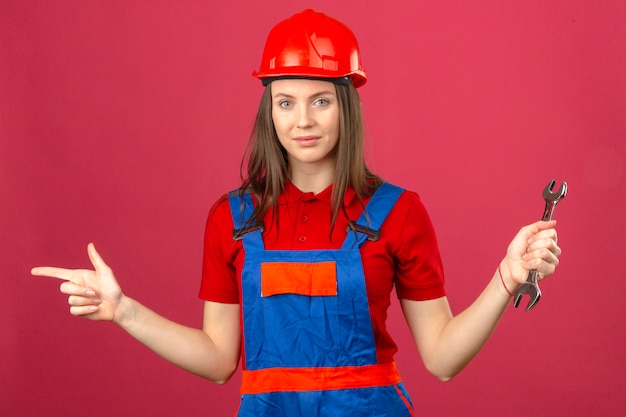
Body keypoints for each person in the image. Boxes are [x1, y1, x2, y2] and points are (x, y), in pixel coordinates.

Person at [32, 9, 562, 417]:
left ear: (346, 104)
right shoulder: (234, 218)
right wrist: (123, 310)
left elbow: (443, 360)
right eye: (285, 101)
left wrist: (505, 279)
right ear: (269, 109)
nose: (302, 120)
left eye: (320, 100)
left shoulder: (399, 212)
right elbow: (219, 361)